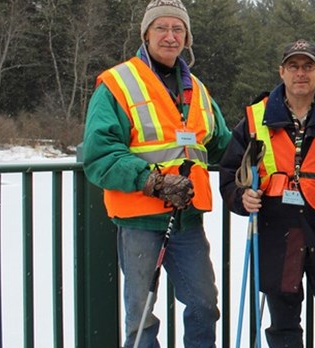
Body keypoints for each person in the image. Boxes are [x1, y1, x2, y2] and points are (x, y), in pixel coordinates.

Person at [82, 0, 231, 347]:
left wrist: (259, 145)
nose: (170, 36)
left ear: (187, 38)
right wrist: (152, 180)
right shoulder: (118, 83)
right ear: (146, 34)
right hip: (139, 221)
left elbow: (222, 143)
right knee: (141, 315)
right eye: (161, 28)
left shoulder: (198, 89)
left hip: (187, 221)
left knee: (204, 306)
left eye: (178, 29)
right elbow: (99, 154)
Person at [219, 39, 315, 348]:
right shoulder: (255, 118)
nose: (300, 73)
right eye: (293, 66)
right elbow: (229, 175)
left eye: (308, 66)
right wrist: (241, 198)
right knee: (283, 332)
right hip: (279, 236)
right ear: (282, 72)